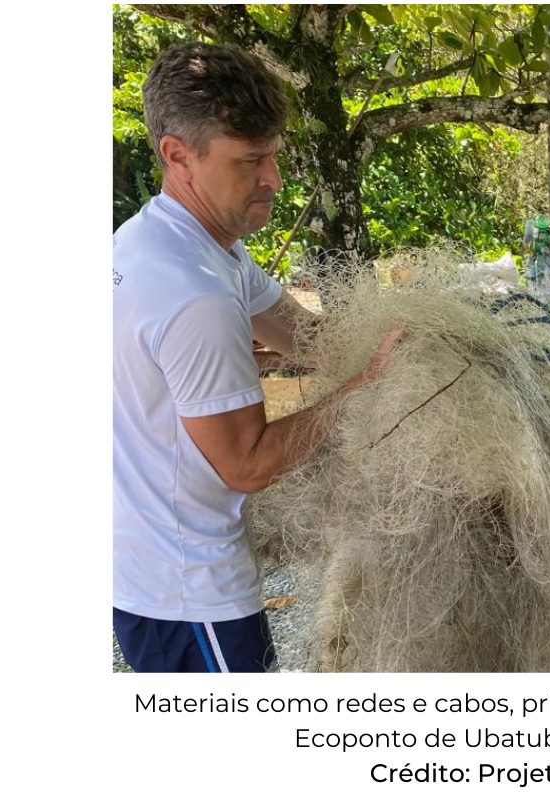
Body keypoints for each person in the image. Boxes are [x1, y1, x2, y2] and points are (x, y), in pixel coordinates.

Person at [113, 43, 400, 672]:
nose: (274, 179)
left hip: (150, 571)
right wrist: (366, 386)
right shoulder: (194, 292)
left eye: (273, 155)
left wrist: (402, 336)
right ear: (177, 156)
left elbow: (306, 338)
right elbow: (246, 465)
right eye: (250, 161)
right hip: (189, 596)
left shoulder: (179, 242)